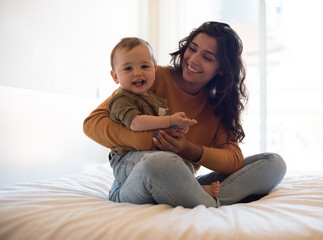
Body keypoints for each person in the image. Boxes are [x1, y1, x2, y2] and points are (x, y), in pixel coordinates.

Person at [83, 21, 286, 208]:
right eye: (192, 49)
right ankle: (208, 202)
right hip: (141, 177)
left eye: (207, 57)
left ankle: (199, 197)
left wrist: (187, 148)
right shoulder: (150, 77)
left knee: (273, 163)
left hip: (182, 179)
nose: (193, 60)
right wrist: (152, 141)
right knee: (161, 161)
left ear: (222, 69)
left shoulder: (219, 106)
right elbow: (93, 123)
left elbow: (232, 160)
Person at [108, 37, 220, 197]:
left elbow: (163, 129)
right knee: (162, 163)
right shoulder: (122, 98)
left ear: (154, 69)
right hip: (124, 160)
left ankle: (186, 186)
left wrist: (178, 129)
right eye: (128, 68)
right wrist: (170, 120)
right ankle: (193, 190)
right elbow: (135, 123)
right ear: (115, 77)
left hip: (149, 158)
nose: (137, 72)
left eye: (145, 66)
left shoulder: (156, 100)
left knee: (184, 165)